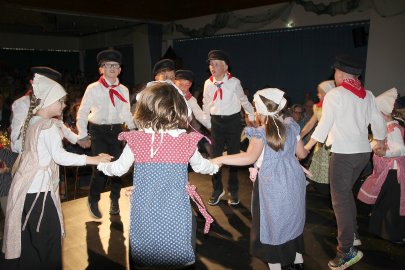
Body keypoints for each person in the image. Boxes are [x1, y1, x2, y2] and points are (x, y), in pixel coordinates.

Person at [97, 81, 218, 268]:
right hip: (176, 210)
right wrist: (215, 166)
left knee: (145, 251)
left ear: (144, 109)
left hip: (145, 209)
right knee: (178, 250)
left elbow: (118, 169)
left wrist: (102, 165)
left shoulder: (137, 140)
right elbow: (202, 166)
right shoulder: (185, 142)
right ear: (178, 109)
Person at [1, 74, 112, 270]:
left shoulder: (32, 122)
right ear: (47, 101)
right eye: (60, 102)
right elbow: (60, 157)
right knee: (49, 240)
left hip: (26, 190)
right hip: (38, 193)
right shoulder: (48, 125)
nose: (63, 106)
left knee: (31, 241)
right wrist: (93, 159)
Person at [305, 54, 386, 270]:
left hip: (343, 154)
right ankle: (354, 233)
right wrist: (379, 141)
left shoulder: (335, 95)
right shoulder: (366, 94)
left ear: (340, 73)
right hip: (361, 154)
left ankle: (346, 250)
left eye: (335, 72)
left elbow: (324, 125)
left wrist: (305, 148)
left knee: (339, 201)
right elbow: (377, 121)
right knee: (346, 194)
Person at [212, 88, 309, 270]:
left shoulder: (260, 133)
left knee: (271, 222)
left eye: (255, 107)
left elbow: (249, 158)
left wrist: (219, 159)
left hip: (271, 183)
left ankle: (275, 265)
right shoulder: (291, 127)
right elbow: (302, 154)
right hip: (294, 179)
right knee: (292, 217)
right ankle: (297, 261)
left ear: (261, 110)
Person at [76, 49, 135, 219]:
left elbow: (126, 114)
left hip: (116, 130)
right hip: (98, 131)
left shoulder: (123, 89)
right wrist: (82, 134)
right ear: (101, 69)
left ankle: (114, 200)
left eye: (116, 65)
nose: (112, 68)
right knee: (100, 169)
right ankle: (93, 199)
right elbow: (83, 111)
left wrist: (133, 131)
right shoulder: (93, 88)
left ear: (120, 70)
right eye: (108, 65)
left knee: (118, 169)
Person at [202, 49, 255, 206]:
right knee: (215, 158)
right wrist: (208, 123)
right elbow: (206, 103)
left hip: (233, 122)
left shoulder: (234, 82)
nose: (213, 67)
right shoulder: (208, 83)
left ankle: (233, 190)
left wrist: (251, 115)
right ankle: (217, 189)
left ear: (225, 67)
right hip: (216, 122)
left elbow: (243, 100)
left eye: (216, 64)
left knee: (233, 157)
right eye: (211, 64)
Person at [357, 88, 405, 243]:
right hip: (387, 171)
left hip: (393, 172)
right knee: (386, 202)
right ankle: (384, 230)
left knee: (391, 204)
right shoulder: (386, 128)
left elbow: (400, 149)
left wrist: (385, 153)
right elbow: (377, 142)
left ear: (383, 114)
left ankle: (391, 232)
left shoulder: (393, 128)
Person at [301, 80, 335, 194]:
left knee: (329, 165)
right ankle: (317, 185)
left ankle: (330, 188)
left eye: (320, 93)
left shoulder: (335, 107)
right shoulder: (317, 107)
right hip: (320, 139)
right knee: (318, 163)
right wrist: (300, 135)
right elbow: (311, 123)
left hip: (332, 140)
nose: (318, 95)